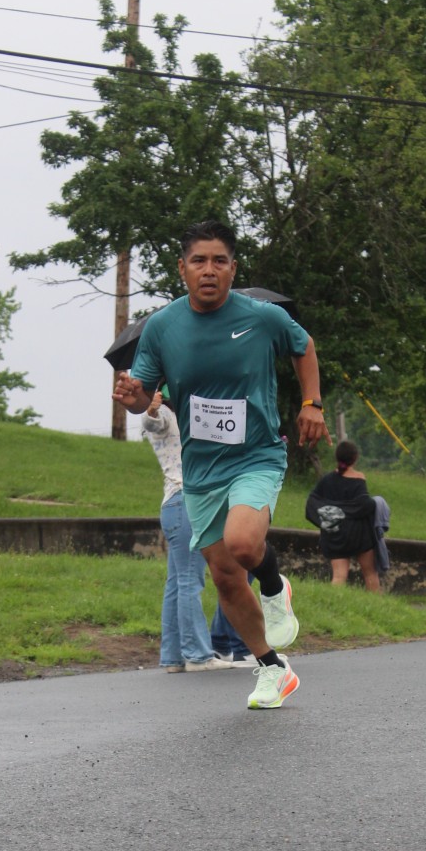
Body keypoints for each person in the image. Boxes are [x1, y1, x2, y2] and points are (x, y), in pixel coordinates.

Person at [113, 219, 330, 709]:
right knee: (226, 577)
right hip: (201, 469)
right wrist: (132, 397)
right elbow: (144, 395)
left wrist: (311, 403)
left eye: (219, 261)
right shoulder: (163, 327)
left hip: (256, 455)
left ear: (233, 268)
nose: (208, 270)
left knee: (243, 543)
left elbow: (304, 347)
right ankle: (272, 669)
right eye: (198, 261)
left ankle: (274, 587)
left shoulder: (262, 317)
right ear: (182, 268)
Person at [142, 386, 232, 671]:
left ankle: (173, 657)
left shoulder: (188, 417)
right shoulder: (166, 415)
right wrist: (151, 408)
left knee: (177, 583)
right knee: (190, 581)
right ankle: (198, 655)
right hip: (185, 502)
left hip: (175, 505)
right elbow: (152, 422)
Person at [305, 439, 381, 589]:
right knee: (370, 573)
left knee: (339, 575)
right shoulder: (359, 479)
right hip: (359, 534)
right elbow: (364, 505)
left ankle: (332, 602)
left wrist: (331, 516)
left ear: (337, 457)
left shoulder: (327, 479)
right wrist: (376, 503)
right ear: (355, 458)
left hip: (335, 534)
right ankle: (378, 602)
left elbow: (312, 501)